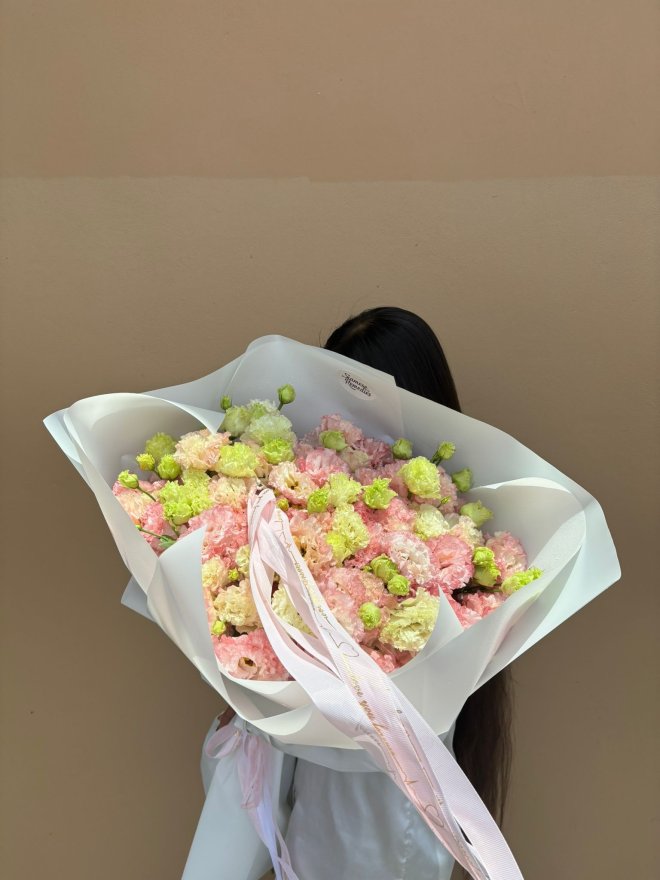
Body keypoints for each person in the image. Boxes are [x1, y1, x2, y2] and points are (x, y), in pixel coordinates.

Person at [282, 307, 513, 880]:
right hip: (318, 786)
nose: (346, 419)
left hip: (387, 795)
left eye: (365, 397)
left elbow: (418, 713)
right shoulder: (312, 500)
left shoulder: (455, 536)